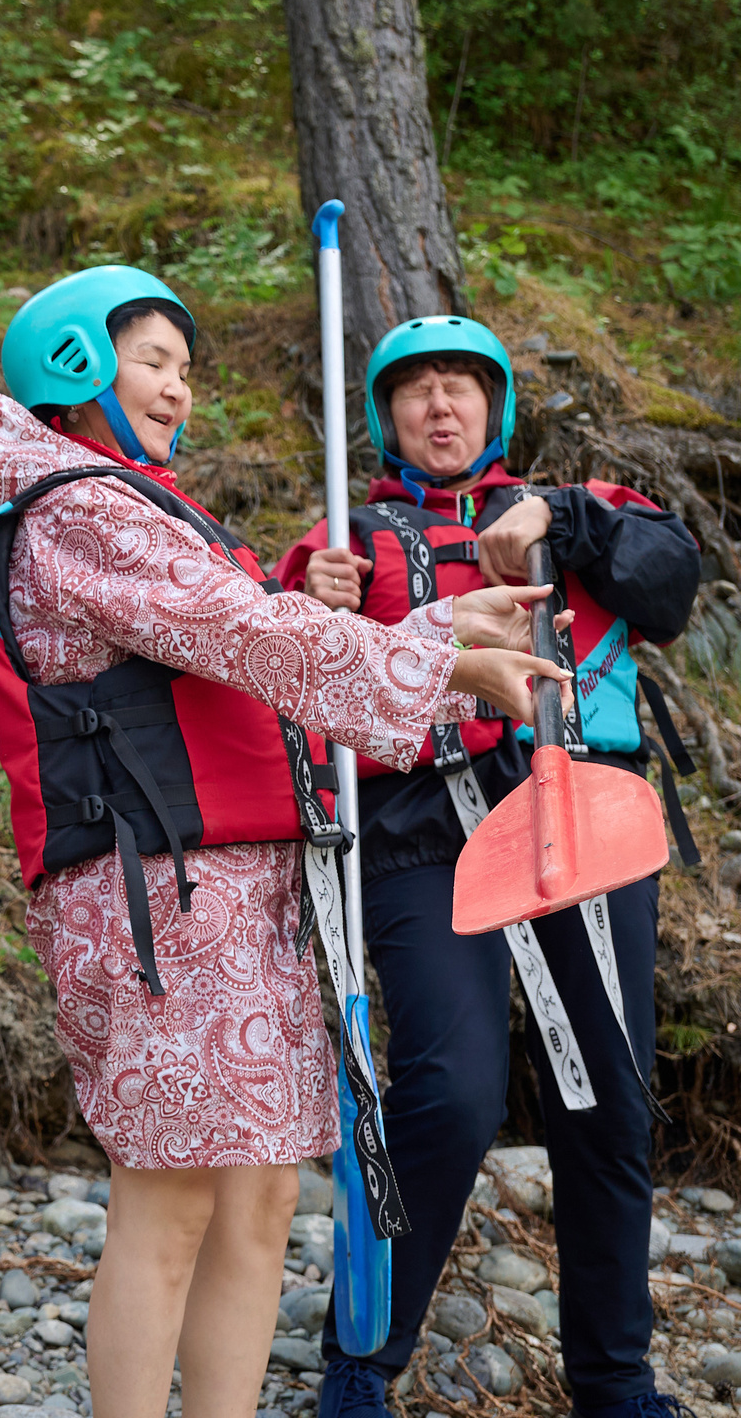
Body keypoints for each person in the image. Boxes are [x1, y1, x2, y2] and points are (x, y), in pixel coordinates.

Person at [0, 269, 572, 1418]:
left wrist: (439, 638)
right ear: (75, 364)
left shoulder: (145, 506)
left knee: (256, 1201)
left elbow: (270, 650)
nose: (177, 389)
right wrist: (440, 649)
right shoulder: (76, 512)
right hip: (155, 897)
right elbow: (246, 632)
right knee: (174, 1204)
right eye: (153, 360)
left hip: (242, 892)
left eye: (184, 371)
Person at [283, 316, 701, 1418]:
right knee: (451, 1092)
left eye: (460, 388)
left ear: (494, 408)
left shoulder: (576, 512)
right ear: (385, 419)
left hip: (577, 826)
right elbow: (281, 677)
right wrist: (301, 597)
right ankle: (361, 1359)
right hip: (425, 832)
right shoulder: (348, 540)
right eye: (414, 390)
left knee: (607, 1101)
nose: (438, 407)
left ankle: (612, 1380)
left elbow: (668, 586)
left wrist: (558, 516)